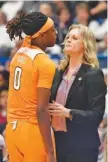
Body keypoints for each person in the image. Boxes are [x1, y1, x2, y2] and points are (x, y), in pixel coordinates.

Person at [49, 24, 107, 162]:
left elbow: (97, 115)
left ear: (85, 44)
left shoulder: (93, 74)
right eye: (68, 37)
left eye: (74, 38)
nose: (68, 40)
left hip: (82, 146)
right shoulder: (58, 72)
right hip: (57, 142)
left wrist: (68, 113)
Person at [5, 11, 57, 162]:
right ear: (41, 35)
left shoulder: (18, 55)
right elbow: (41, 109)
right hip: (32, 131)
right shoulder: (44, 63)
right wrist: (50, 150)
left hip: (12, 131)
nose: (56, 33)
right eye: (52, 30)